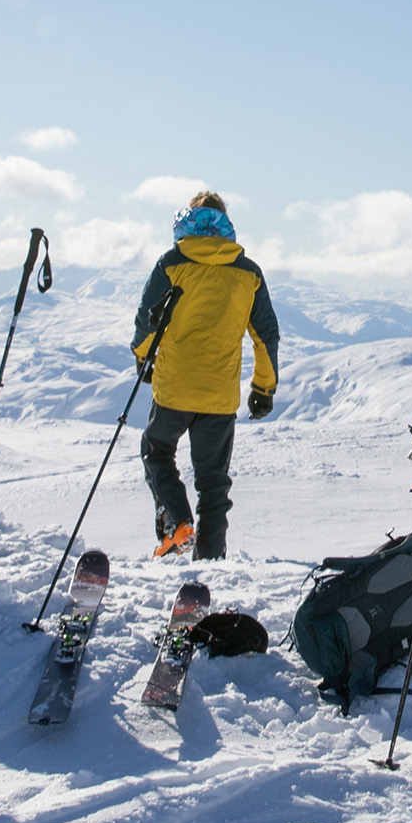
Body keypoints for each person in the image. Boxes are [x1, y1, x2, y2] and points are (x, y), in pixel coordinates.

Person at [132, 191, 279, 561]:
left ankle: (177, 523)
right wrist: (264, 386)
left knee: (156, 451)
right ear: (225, 222)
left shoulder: (173, 262)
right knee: (213, 483)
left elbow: (146, 319)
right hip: (219, 395)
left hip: (173, 389)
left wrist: (142, 356)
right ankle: (211, 560)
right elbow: (265, 335)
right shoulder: (248, 273)